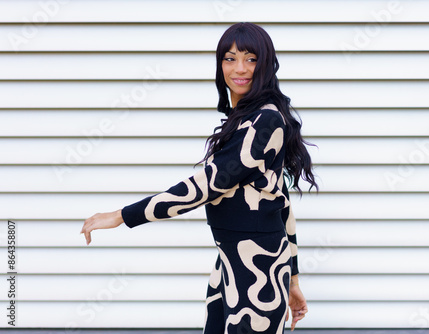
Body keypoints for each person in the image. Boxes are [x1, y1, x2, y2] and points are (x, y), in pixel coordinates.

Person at [80, 22, 317, 333]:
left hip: (257, 268)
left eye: (251, 58)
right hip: (234, 262)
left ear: (266, 64)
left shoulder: (266, 120)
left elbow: (207, 185)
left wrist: (123, 216)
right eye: (230, 58)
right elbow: (282, 202)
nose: (239, 68)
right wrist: (293, 279)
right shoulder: (248, 117)